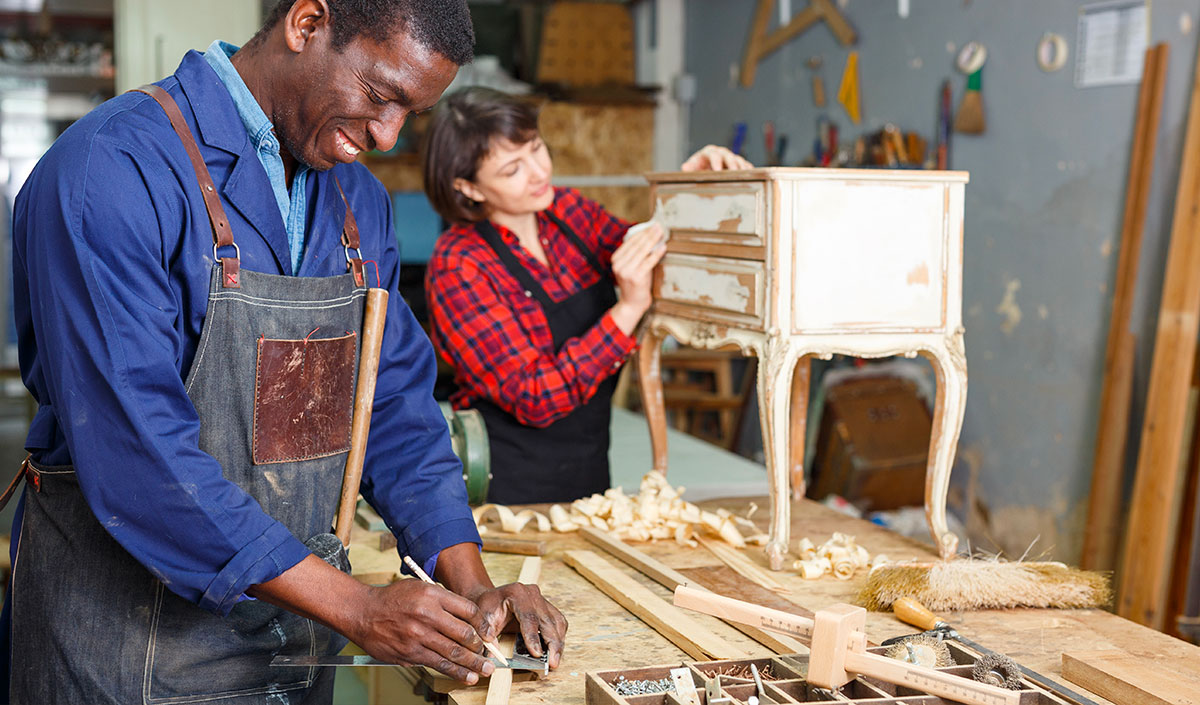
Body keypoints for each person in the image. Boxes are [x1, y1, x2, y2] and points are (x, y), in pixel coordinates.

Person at [4, 2, 566, 703]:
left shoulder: (358, 201)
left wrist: (474, 587)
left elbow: (392, 408)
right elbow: (139, 456)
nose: (389, 137)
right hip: (125, 655)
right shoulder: (111, 171)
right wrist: (358, 607)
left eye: (410, 114)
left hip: (295, 646)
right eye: (380, 95)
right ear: (306, 24)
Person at [423, 87, 751, 506]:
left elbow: (654, 251)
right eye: (512, 170)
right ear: (468, 187)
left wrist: (694, 190)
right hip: (506, 494)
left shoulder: (565, 212)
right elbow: (535, 396)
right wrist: (628, 309)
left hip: (591, 471)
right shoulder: (459, 265)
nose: (540, 172)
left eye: (537, 148)